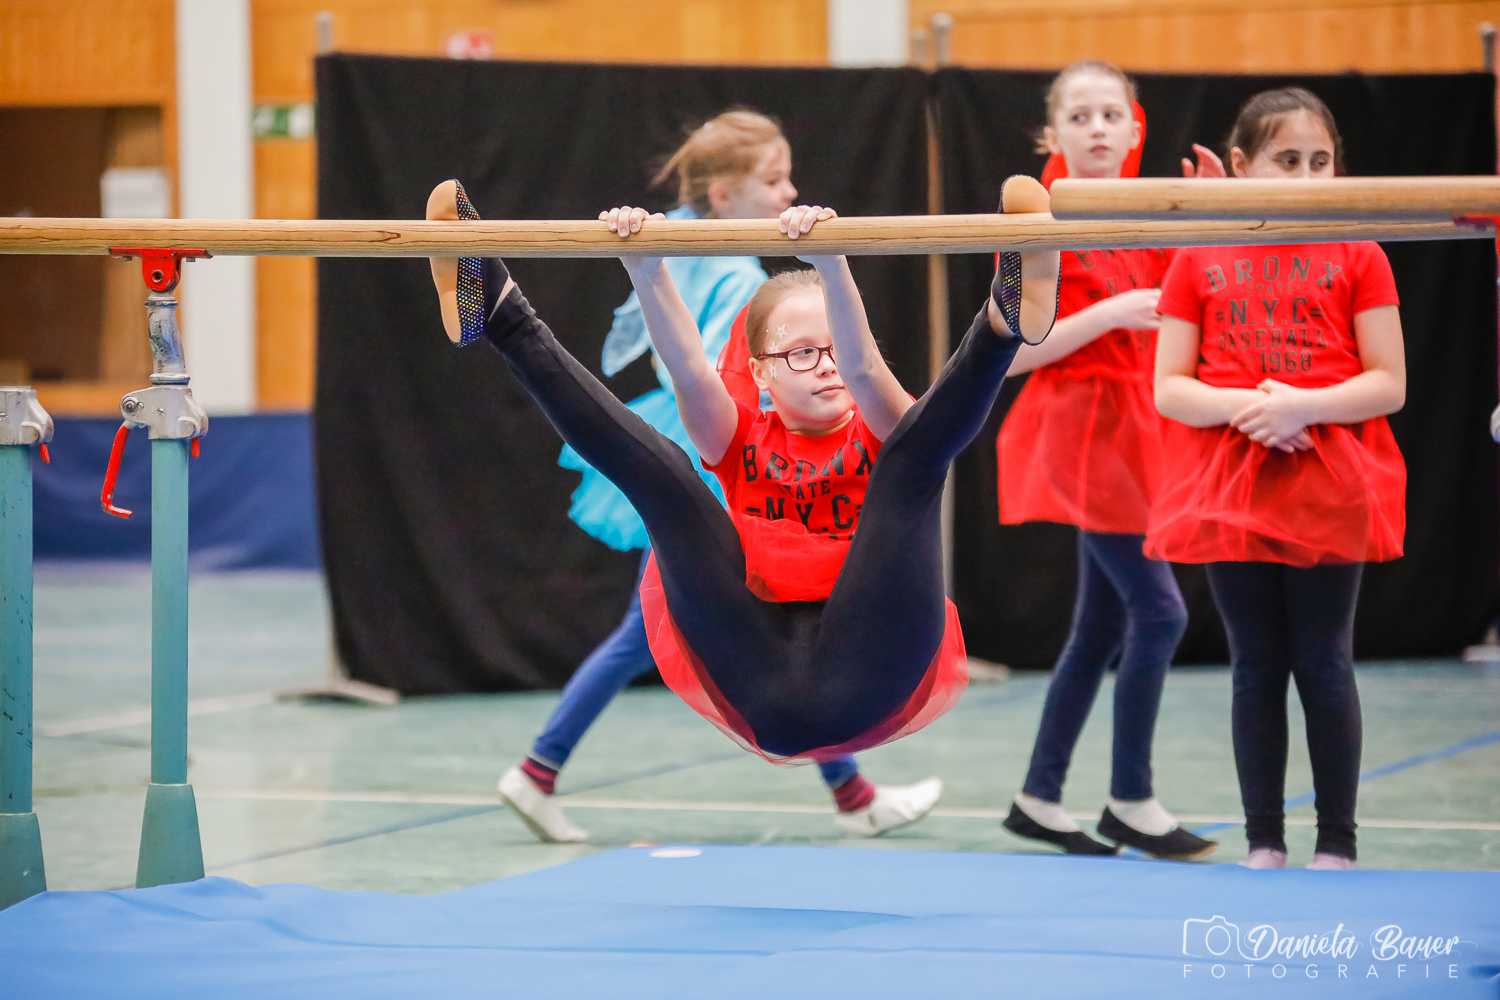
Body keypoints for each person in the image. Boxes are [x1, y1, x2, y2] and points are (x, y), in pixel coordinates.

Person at [426, 175, 1060, 775]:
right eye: (803, 352)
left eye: (832, 347)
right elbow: (690, 372)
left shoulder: (880, 433)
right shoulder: (740, 438)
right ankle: (502, 313)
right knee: (664, 476)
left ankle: (1005, 320)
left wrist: (833, 263)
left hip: (873, 664)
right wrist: (645, 270)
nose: (826, 368)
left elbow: (865, 368)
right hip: (756, 669)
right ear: (761, 373)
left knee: (915, 460)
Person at [481, 112, 941, 843]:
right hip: (731, 452)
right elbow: (698, 368)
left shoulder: (693, 249)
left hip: (709, 436)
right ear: (724, 199)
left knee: (735, 627)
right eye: (773, 179)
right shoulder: (731, 273)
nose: (790, 188)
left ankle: (851, 792)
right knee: (673, 626)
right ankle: (539, 767)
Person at [1150, 88, 1406, 871]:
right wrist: (1249, 410)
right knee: (1256, 664)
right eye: (1286, 160)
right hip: (1235, 481)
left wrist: (1305, 407)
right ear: (1240, 166)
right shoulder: (1200, 255)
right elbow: (1170, 387)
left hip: (1328, 477)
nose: (1305, 176)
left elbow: (1389, 381)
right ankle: (1265, 838)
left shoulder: (1358, 251)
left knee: (1324, 660)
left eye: (1319, 161)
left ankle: (1338, 841)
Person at [997, 61, 1217, 860]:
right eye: (1080, 116)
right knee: (1160, 612)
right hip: (1082, 437)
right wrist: (1114, 313)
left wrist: (1215, 211)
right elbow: (1013, 352)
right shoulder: (1036, 211)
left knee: (1099, 627)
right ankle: (1130, 797)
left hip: (1140, 430)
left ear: (1135, 128)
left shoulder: (1140, 211)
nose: (1097, 127)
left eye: (1110, 114)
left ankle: (1040, 794)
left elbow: (1192, 305)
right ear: (1052, 135)